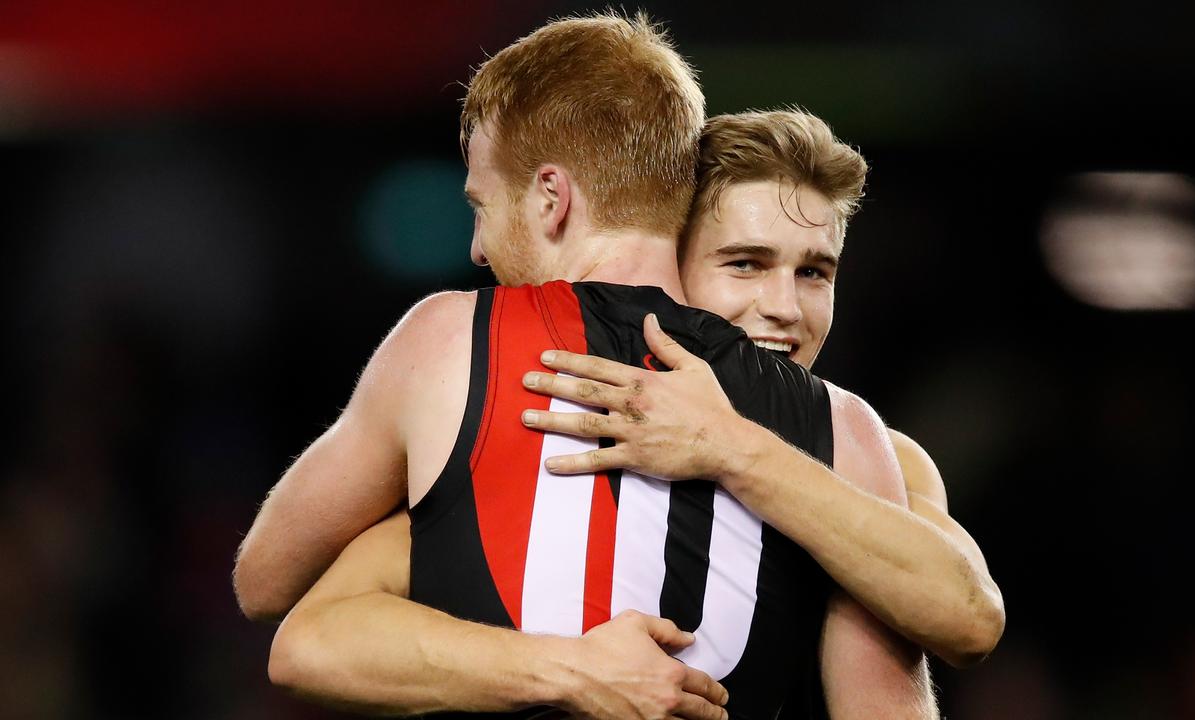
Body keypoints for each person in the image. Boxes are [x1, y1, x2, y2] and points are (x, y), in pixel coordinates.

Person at [237, 14, 964, 719]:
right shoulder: (844, 431)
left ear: (551, 198)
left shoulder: (452, 344)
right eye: (748, 263)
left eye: (482, 207)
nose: (478, 250)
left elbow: (268, 586)